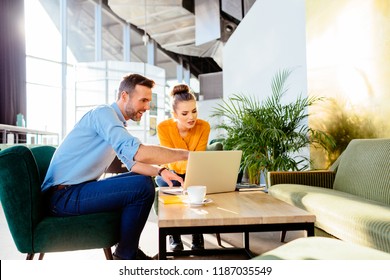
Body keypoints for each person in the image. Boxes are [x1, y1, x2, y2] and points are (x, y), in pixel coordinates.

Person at [41, 73, 188, 260]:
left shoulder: (115, 123)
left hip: (74, 191)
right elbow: (139, 153)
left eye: (149, 101)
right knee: (141, 187)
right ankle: (126, 256)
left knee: (141, 179)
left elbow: (132, 163)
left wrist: (161, 170)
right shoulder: (103, 114)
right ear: (124, 96)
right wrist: (186, 154)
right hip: (62, 197)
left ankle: (129, 251)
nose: (147, 107)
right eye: (143, 100)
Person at [155, 84, 210, 251]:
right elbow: (169, 160)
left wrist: (187, 163)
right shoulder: (163, 128)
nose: (191, 117)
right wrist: (185, 160)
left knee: (197, 186)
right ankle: (174, 234)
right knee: (167, 184)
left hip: (195, 171)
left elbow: (198, 158)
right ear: (174, 114)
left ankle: (197, 233)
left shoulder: (204, 126)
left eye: (194, 111)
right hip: (170, 173)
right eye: (185, 113)